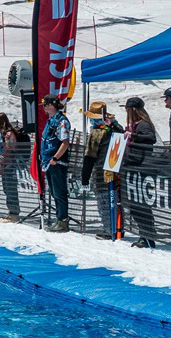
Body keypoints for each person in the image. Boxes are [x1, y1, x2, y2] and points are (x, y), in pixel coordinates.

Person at [121, 96, 159, 247]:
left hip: (141, 168)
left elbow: (151, 138)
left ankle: (148, 236)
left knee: (141, 206)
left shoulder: (143, 124)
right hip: (133, 168)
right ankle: (145, 235)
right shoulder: (135, 125)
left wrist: (133, 135)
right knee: (135, 205)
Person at [80, 101, 120, 239]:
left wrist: (84, 177)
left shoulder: (97, 133)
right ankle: (117, 228)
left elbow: (89, 157)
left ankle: (108, 230)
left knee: (104, 203)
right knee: (114, 200)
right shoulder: (114, 129)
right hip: (114, 169)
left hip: (100, 172)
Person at [37, 95, 73, 230]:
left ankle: (63, 220)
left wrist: (56, 158)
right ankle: (59, 219)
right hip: (48, 161)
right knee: (53, 191)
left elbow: (65, 142)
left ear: (52, 105)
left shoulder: (61, 121)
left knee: (59, 192)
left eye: (46, 105)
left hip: (57, 162)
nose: (44, 108)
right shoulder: (50, 120)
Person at [0, 111, 22, 219]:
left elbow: (12, 148)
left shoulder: (9, 133)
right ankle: (11, 211)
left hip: (10, 164)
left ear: (0, 121)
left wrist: (6, 142)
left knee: (11, 188)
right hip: (3, 164)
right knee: (6, 188)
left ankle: (14, 213)